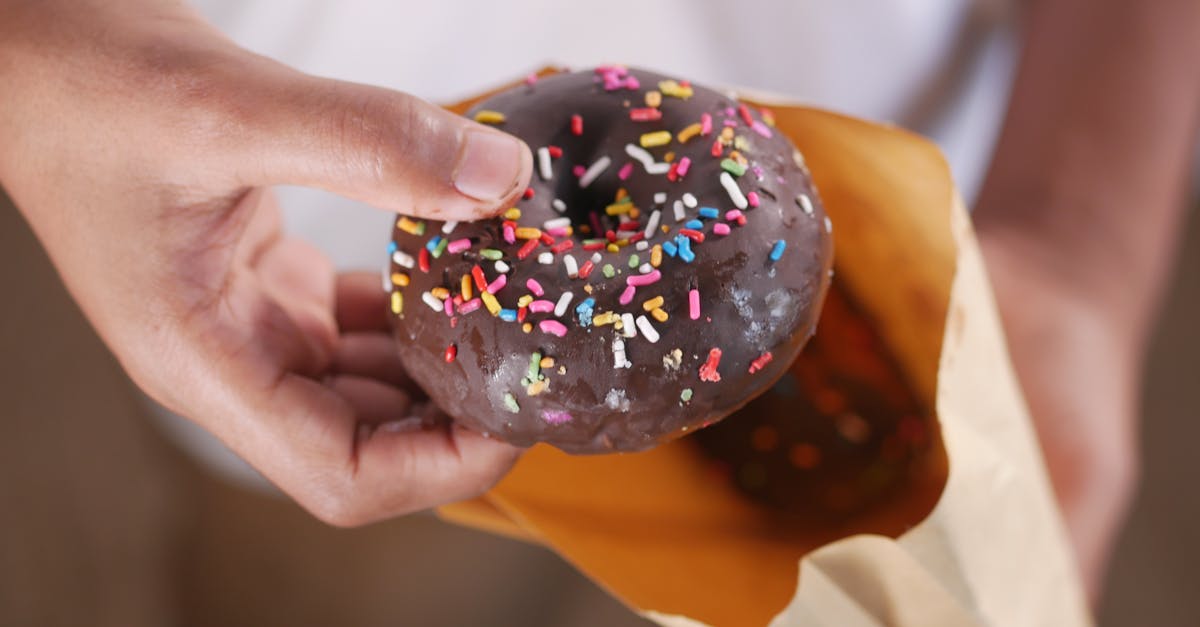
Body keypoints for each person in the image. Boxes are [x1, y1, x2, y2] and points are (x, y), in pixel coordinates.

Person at [0, 0, 1195, 603]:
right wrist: (36, 73)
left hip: (900, 295)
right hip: (297, 320)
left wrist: (1076, 242)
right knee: (321, 598)